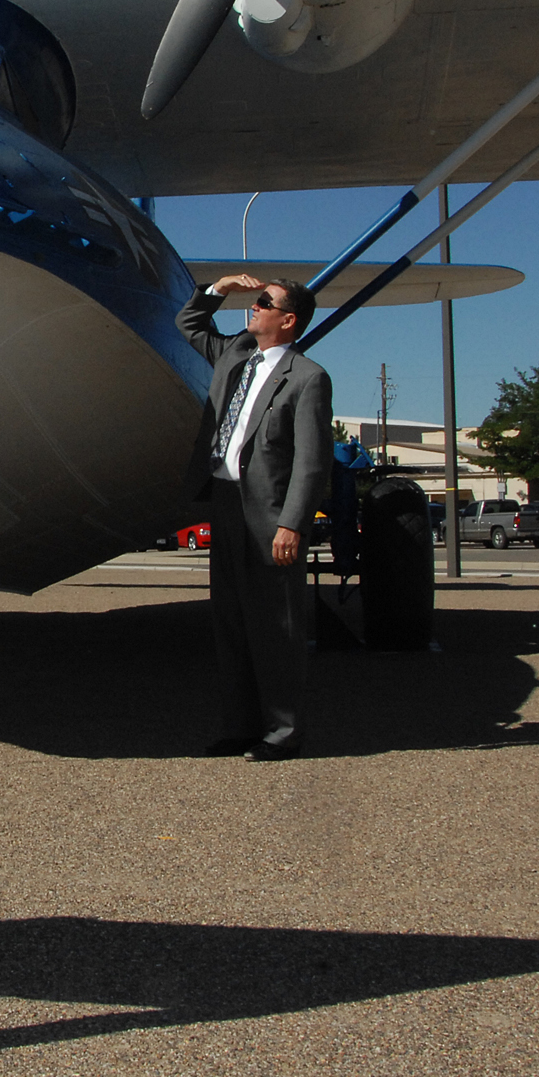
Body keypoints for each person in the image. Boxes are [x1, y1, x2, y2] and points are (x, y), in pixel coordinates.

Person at [177, 274, 333, 760]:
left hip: (269, 516)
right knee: (231, 624)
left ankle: (283, 733)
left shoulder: (308, 377)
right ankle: (240, 727)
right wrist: (220, 287)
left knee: (276, 630)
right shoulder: (235, 355)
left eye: (264, 303)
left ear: (287, 320)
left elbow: (312, 460)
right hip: (225, 504)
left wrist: (293, 523)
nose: (254, 307)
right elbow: (189, 322)